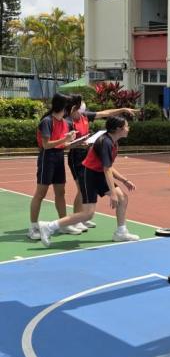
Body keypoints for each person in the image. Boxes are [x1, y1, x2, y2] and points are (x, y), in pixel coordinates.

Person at [38, 116, 139, 247]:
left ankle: (121, 232)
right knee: (87, 214)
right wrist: (112, 193)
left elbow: (108, 167)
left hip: (99, 174)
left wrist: (124, 180)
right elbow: (107, 169)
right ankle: (49, 226)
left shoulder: (113, 142)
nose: (128, 128)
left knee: (122, 198)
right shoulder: (105, 143)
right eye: (126, 126)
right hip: (89, 176)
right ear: (118, 129)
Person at [65, 95, 138, 232]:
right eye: (80, 109)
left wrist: (122, 109)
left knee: (89, 192)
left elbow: (105, 113)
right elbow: (65, 144)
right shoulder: (68, 121)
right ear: (73, 109)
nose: (82, 112)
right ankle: (76, 220)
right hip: (76, 156)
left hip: (88, 154)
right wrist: (78, 143)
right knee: (81, 189)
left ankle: (83, 218)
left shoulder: (85, 117)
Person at [27, 93, 80, 240]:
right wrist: (65, 139)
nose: (72, 109)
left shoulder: (65, 122)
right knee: (41, 193)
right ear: (63, 106)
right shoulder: (47, 121)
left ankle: (63, 224)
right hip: (47, 157)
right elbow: (46, 145)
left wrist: (78, 142)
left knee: (60, 192)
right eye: (70, 106)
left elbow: (64, 145)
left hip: (59, 157)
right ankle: (33, 227)